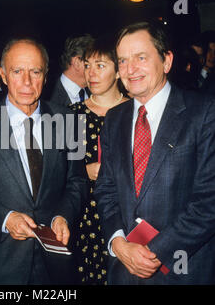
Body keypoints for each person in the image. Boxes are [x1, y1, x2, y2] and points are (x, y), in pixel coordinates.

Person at [0, 38, 87, 284]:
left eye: (35, 72)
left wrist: (63, 215)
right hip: (3, 264)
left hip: (56, 266)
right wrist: (5, 219)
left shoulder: (69, 121)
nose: (27, 82)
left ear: (46, 76)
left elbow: (77, 181)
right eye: (17, 71)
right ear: (3, 75)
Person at [95, 21, 215, 284]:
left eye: (141, 57)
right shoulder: (113, 119)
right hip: (124, 270)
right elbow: (105, 190)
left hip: (183, 270)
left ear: (167, 60)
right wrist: (118, 243)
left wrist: (154, 251)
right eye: (123, 60)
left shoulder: (205, 113)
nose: (130, 69)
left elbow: (208, 202)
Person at [69, 37, 129, 285]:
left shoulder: (135, 111)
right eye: (87, 65)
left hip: (126, 214)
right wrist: (84, 170)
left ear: (117, 71)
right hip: (84, 217)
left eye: (100, 65)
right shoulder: (71, 114)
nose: (91, 73)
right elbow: (57, 173)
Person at [50, 34, 94, 106]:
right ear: (77, 63)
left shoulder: (97, 94)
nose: (98, 71)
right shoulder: (48, 99)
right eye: (92, 64)